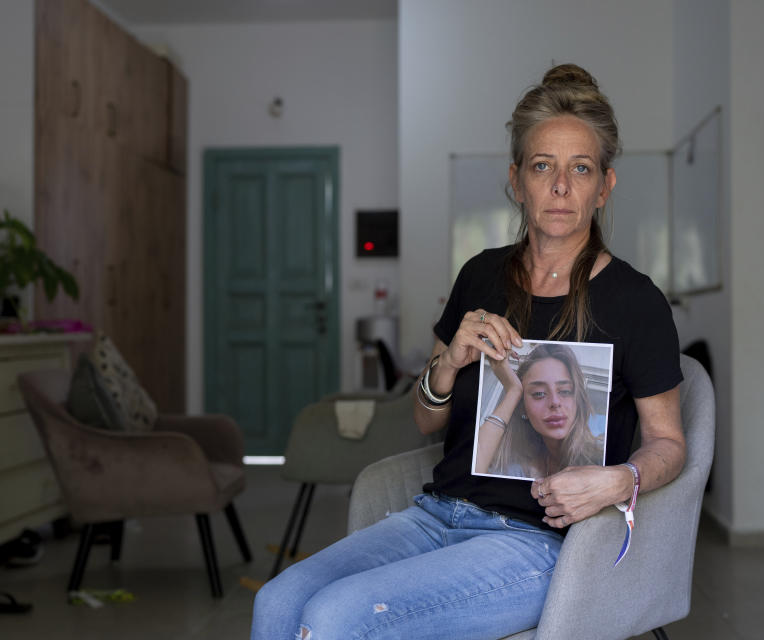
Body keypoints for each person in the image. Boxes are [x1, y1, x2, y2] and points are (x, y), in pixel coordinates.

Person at [251, 63, 686, 640]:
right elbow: (424, 417)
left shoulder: (636, 301)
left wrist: (618, 480)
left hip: (538, 541)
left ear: (603, 185)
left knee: (335, 617)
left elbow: (670, 445)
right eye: (542, 167)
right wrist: (451, 361)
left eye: (580, 169)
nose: (560, 187)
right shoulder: (480, 277)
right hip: (438, 515)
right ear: (515, 180)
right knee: (277, 603)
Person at [475, 342, 604, 478]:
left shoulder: (600, 458)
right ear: (522, 408)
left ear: (578, 401)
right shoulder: (515, 467)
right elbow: (473, 470)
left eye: (565, 391)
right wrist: (513, 391)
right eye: (539, 393)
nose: (555, 402)